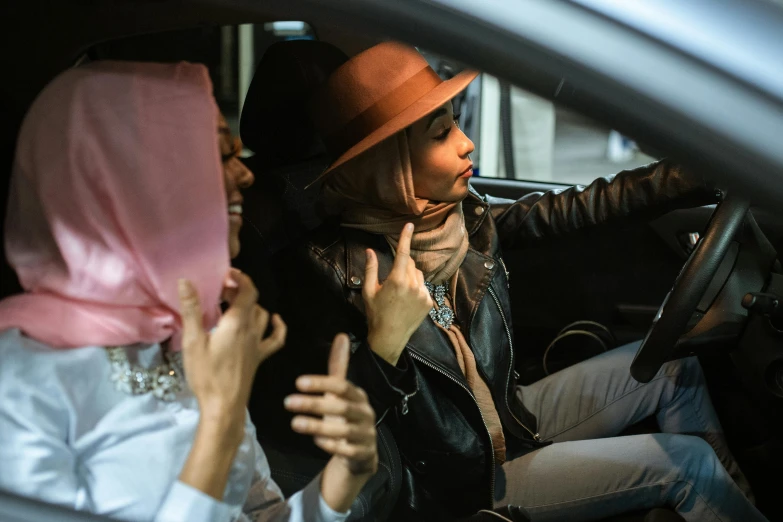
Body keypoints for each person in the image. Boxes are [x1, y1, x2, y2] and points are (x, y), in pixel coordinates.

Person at [256, 42, 767, 521]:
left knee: (679, 375)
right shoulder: (326, 273)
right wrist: (384, 345)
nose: (466, 143)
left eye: (456, 124)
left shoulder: (463, 221)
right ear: (389, 165)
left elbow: (575, 209)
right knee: (686, 462)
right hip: (461, 485)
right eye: (440, 135)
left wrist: (696, 173)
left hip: (508, 422)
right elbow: (331, 434)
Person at [0, 60, 378, 522]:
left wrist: (345, 476)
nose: (245, 175)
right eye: (219, 156)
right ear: (134, 181)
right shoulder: (19, 382)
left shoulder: (188, 336)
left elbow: (261, 514)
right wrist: (218, 423)